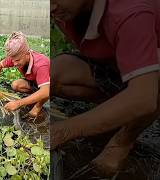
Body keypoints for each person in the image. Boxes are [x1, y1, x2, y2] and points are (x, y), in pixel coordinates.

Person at [51, 0, 160, 176]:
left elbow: (144, 97)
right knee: (54, 73)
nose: (50, 7)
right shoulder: (65, 11)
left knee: (147, 91)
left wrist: (65, 130)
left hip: (149, 80)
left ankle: (122, 141)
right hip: (121, 65)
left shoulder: (130, 12)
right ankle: (117, 112)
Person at [0, 31, 50, 117]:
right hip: (35, 82)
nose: (14, 63)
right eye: (12, 60)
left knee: (40, 100)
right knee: (15, 85)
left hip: (50, 85)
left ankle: (38, 105)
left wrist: (19, 103)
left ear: (27, 54)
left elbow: (46, 91)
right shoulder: (15, 57)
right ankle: (36, 96)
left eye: (17, 60)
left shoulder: (41, 65)